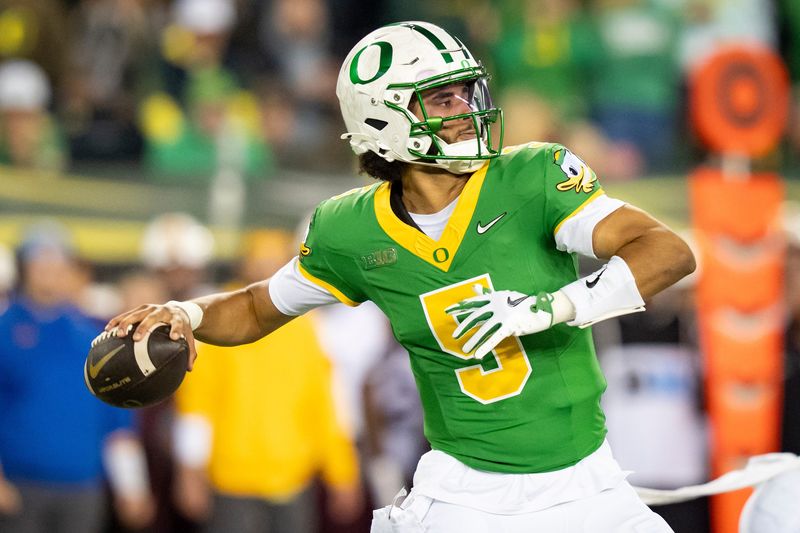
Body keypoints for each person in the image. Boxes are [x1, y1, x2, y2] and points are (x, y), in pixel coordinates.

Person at [106, 21, 696, 533]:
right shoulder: (350, 230)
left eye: (467, 93)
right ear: (384, 117)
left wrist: (550, 307)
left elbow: (667, 252)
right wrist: (188, 313)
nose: (467, 110)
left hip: (587, 478)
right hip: (467, 493)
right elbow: (261, 306)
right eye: (443, 100)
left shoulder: (533, 176)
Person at [171, 229, 363, 533]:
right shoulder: (222, 320)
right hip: (232, 480)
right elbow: (197, 404)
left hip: (292, 479)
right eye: (259, 261)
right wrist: (189, 471)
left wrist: (343, 472)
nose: (267, 269)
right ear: (244, 265)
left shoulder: (306, 328)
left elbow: (324, 404)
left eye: (274, 261)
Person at [0, 222, 154, 533]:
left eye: (57, 262)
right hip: (21, 486)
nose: (49, 271)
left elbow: (116, 419)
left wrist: (132, 486)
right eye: (40, 262)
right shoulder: (5, 330)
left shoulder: (92, 334)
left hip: (82, 488)